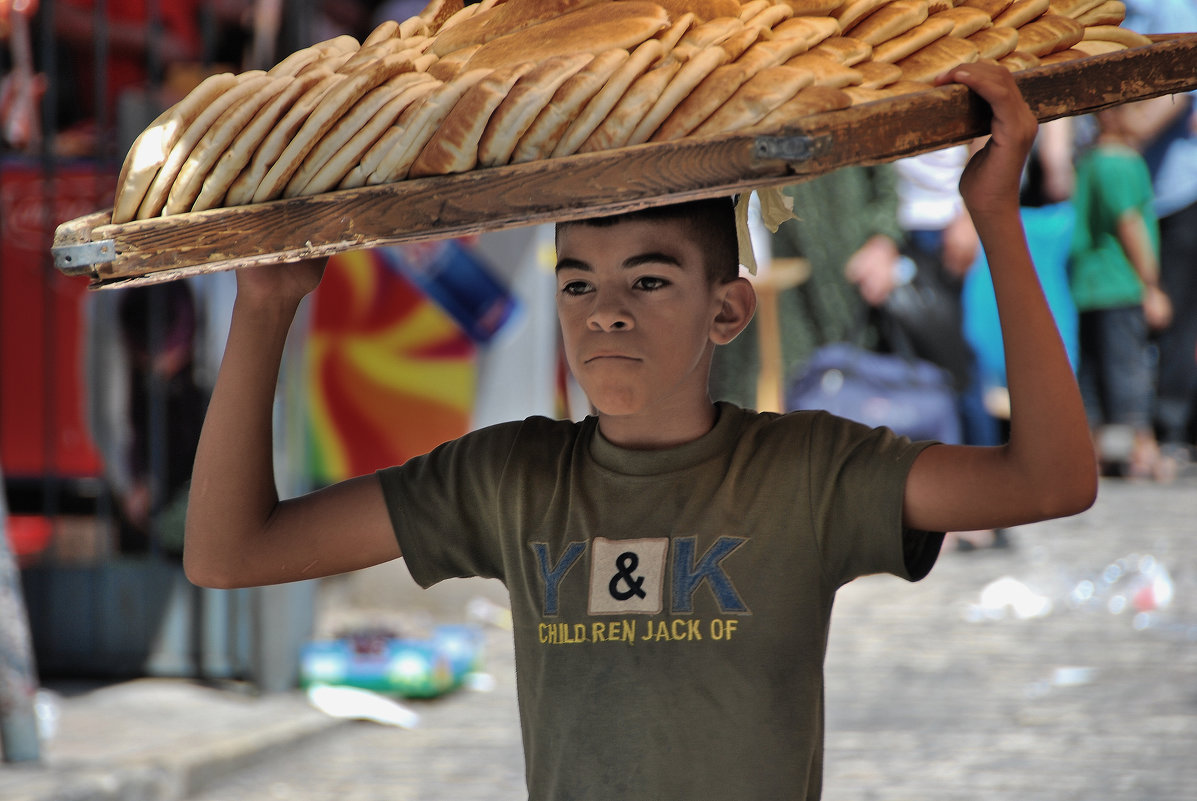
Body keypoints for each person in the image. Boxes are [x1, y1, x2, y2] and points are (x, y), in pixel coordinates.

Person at [184, 63, 1096, 800]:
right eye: (578, 282)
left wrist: (995, 219)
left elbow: (1050, 482)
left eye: (649, 281)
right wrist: (263, 310)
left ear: (728, 310)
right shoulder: (506, 478)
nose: (604, 313)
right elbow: (229, 553)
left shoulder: (808, 470)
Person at [1069, 104, 1172, 480]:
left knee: (1094, 373)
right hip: (1121, 283)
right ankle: (1144, 451)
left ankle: (1094, 453)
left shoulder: (1090, 160)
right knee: (1129, 370)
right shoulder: (1121, 162)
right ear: (1113, 115)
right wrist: (1152, 285)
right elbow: (1129, 222)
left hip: (1089, 284)